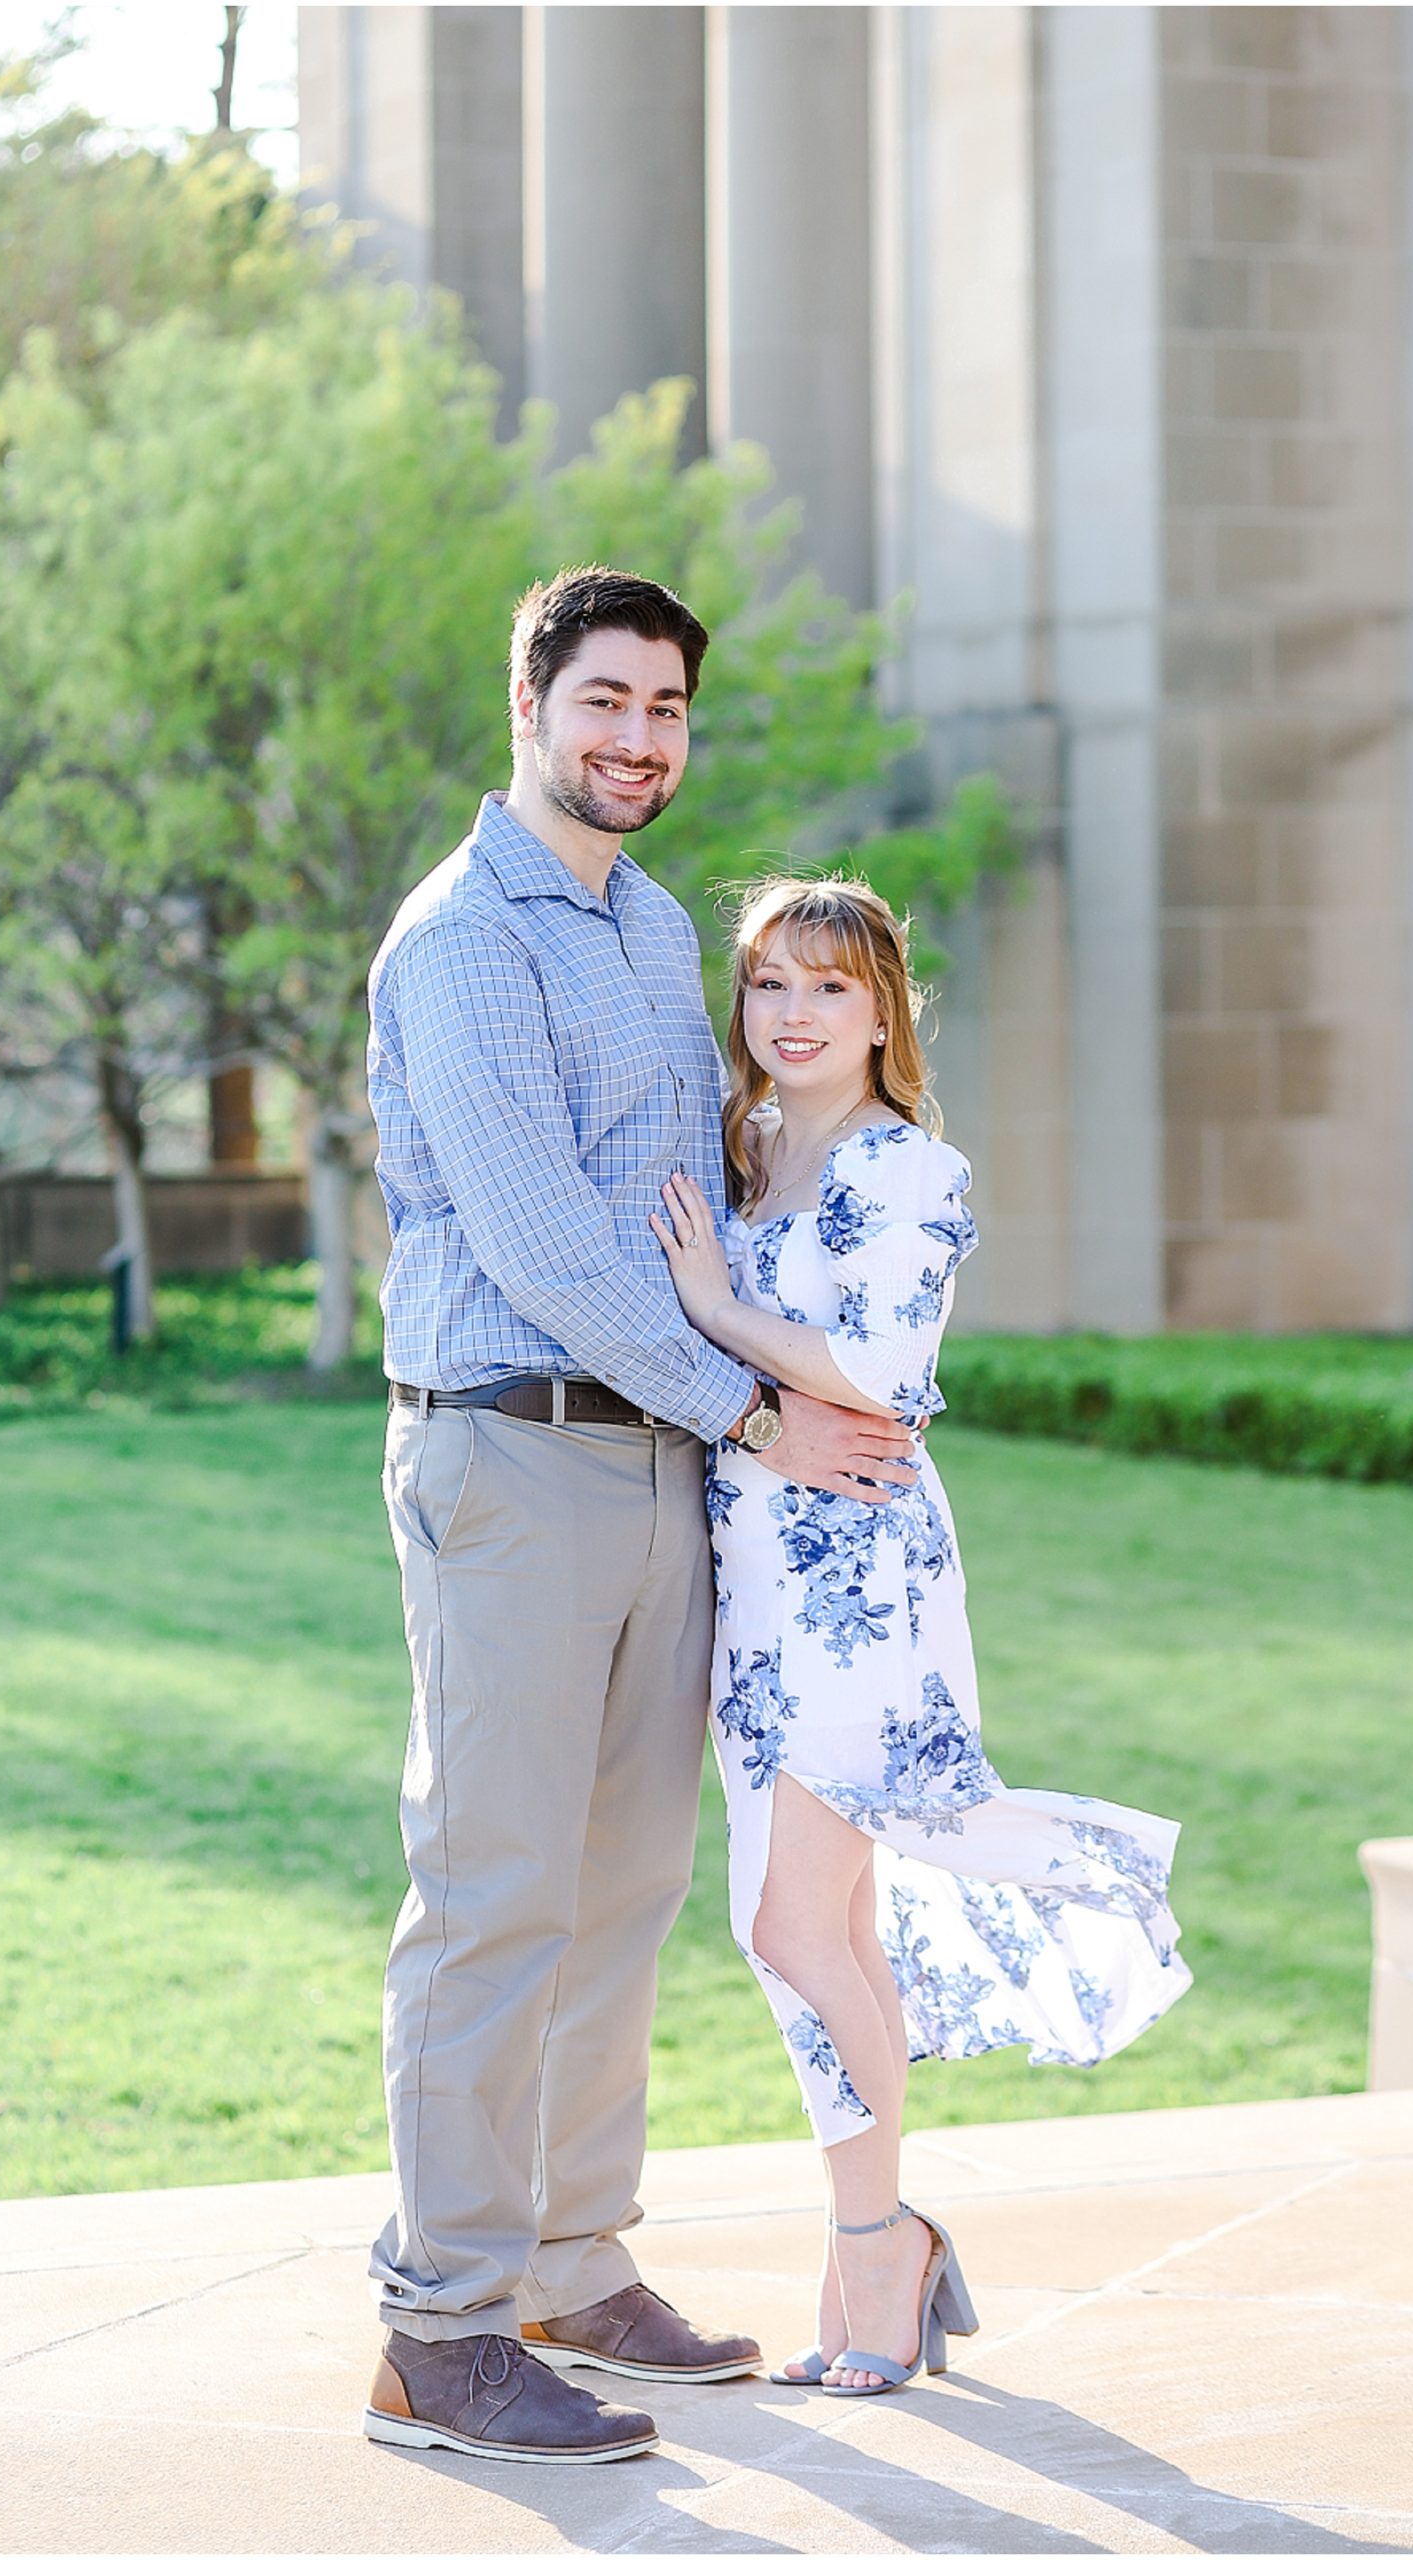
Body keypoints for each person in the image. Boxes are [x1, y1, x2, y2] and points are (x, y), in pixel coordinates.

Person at [360, 570, 923, 2467]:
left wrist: (837, 1343)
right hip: (509, 1451)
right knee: (496, 1894)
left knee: (624, 1893)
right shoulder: (461, 942)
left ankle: (568, 2262)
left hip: (666, 1463)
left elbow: (695, 1217)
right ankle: (437, 2330)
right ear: (529, 702)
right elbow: (541, 1244)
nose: (635, 739)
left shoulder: (654, 919)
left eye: (665, 710)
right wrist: (765, 1409)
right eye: (603, 700)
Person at [650, 874, 1192, 2395]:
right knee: (809, 1933)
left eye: (829, 987)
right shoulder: (743, 1149)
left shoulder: (910, 1173)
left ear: (883, 1008)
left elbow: (880, 1372)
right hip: (747, 1570)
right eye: (767, 986)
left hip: (858, 1572)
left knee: (791, 1925)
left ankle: (878, 2244)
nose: (795, 1015)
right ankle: (872, 2241)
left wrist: (710, 1300)